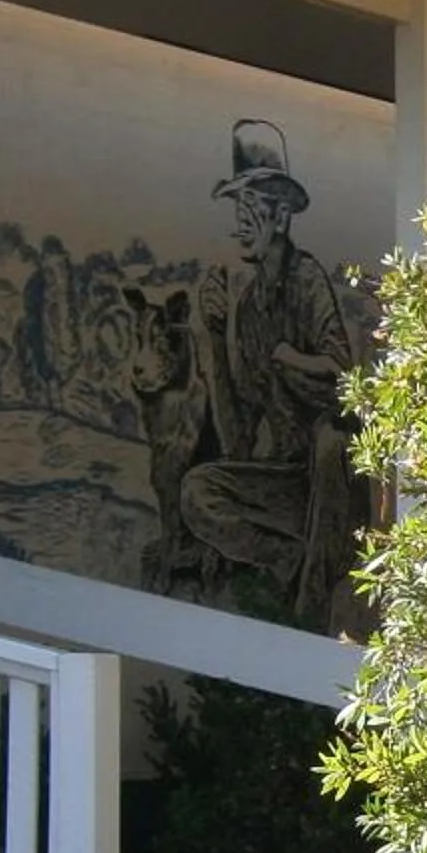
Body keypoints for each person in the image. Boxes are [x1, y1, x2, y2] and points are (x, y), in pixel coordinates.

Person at [178, 119, 361, 623]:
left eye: (250, 208)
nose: (239, 223)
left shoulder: (307, 279)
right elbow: (239, 433)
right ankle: (289, 561)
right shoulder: (248, 308)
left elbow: (343, 376)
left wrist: (287, 357)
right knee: (198, 490)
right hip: (286, 481)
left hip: (334, 481)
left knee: (332, 440)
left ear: (279, 217)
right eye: (237, 209)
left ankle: (313, 603)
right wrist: (215, 337)